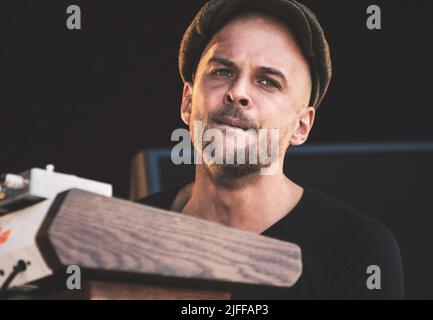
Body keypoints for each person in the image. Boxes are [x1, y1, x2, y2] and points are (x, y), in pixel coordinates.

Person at [138, 0, 404, 299]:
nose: (237, 92)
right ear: (188, 102)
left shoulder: (356, 250)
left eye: (268, 82)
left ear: (301, 126)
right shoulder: (128, 230)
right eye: (222, 71)